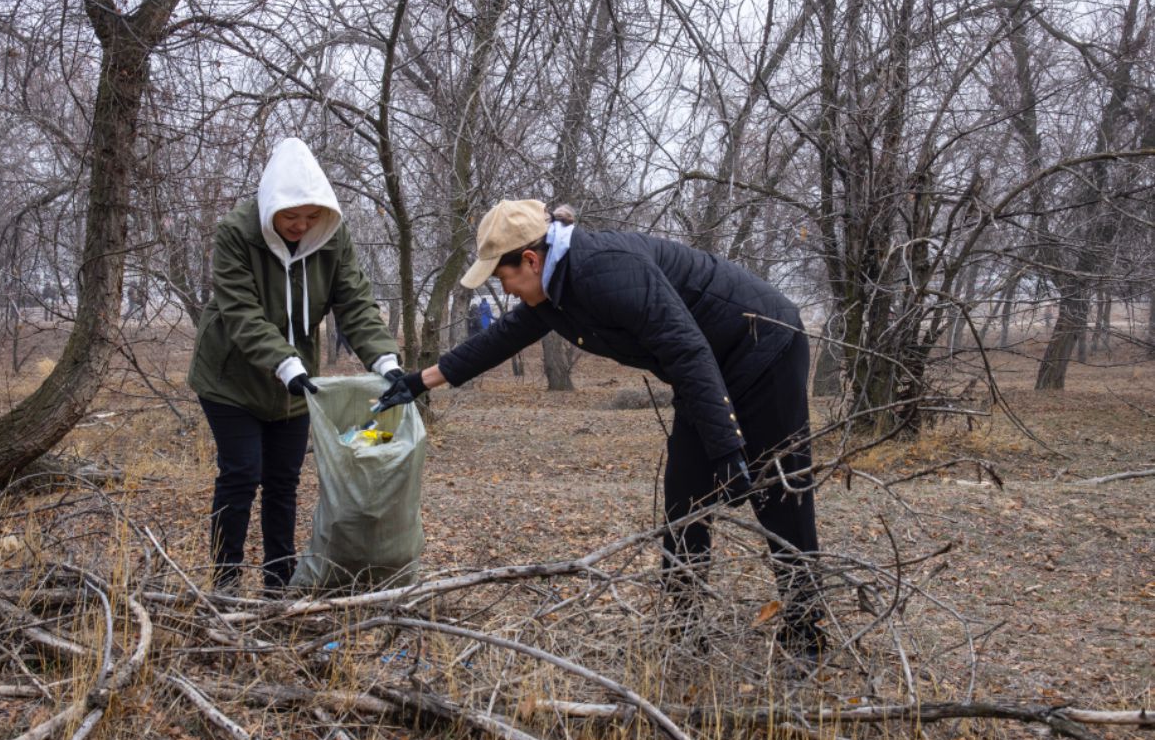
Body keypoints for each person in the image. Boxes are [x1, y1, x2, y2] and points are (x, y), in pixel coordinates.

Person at [377, 199, 823, 656]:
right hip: (706, 369)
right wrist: (418, 382)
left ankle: (806, 631)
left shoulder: (605, 271)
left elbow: (686, 349)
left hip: (764, 344)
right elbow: (501, 338)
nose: (505, 290)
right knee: (684, 499)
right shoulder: (556, 290)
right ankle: (684, 631)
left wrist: (727, 448)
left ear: (530, 260)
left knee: (778, 491)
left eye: (502, 277)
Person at [188, 138, 403, 595]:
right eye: (291, 217)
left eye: (311, 216)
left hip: (295, 383)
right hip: (231, 376)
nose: (301, 225)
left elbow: (355, 302)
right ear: (272, 207)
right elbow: (240, 311)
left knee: (283, 481)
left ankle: (277, 583)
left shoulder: (331, 237)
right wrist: (283, 362)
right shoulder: (237, 233)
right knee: (242, 473)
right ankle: (225, 582)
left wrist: (385, 359)